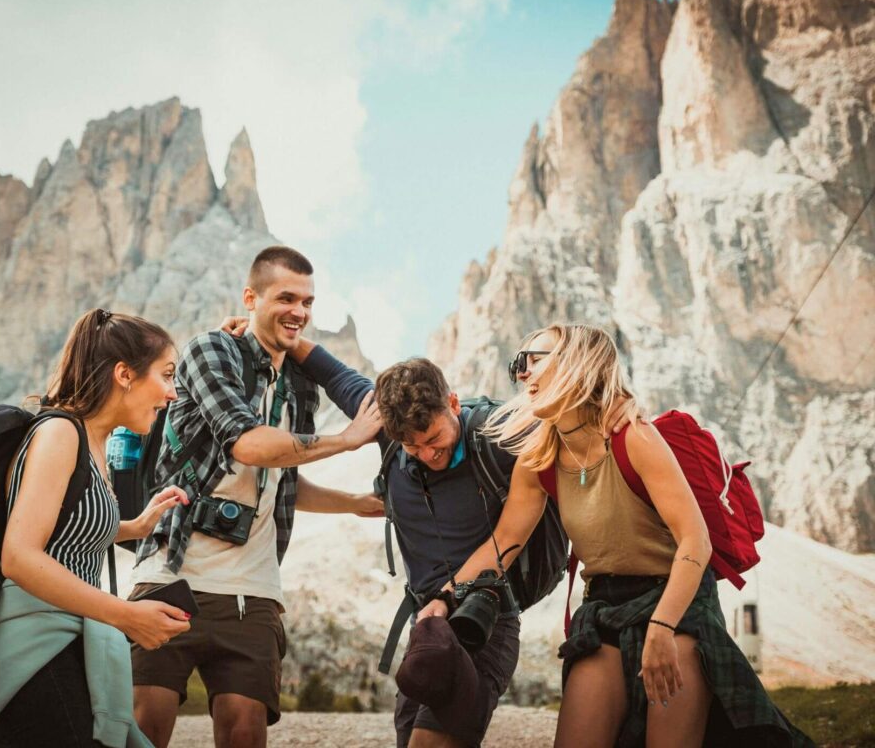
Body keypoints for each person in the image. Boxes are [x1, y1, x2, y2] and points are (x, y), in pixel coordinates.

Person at [427, 323, 815, 747]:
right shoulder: (538, 459)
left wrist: (664, 627)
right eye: (517, 364)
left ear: (579, 363)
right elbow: (503, 543)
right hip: (604, 607)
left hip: (676, 601)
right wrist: (445, 597)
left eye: (534, 360)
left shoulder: (634, 437)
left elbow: (695, 542)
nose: (521, 374)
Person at [129, 246, 384, 748]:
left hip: (255, 590)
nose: (300, 311)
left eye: (308, 302)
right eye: (286, 297)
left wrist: (353, 503)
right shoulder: (210, 351)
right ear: (251, 297)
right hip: (172, 573)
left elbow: (284, 478)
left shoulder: (301, 386)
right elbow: (247, 444)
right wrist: (347, 440)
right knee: (143, 728)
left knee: (245, 732)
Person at [0, 308, 195, 748]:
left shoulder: (94, 442)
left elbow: (63, 531)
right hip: (32, 650)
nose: (172, 393)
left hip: (66, 640)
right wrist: (126, 616)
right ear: (124, 374)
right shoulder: (60, 433)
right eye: (165, 376)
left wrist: (135, 526)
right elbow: (20, 557)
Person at [276, 333, 568, 748]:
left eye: (434, 439)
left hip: (485, 619)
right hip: (428, 625)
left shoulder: (499, 434)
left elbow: (511, 535)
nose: (427, 454)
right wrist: (272, 332)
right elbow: (332, 372)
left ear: (452, 404)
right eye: (412, 447)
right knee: (409, 738)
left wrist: (447, 598)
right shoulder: (390, 432)